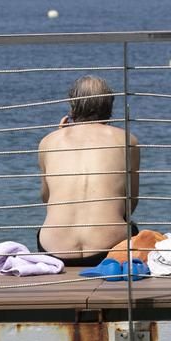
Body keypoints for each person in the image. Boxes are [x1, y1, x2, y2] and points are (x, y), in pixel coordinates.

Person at [36, 75, 140, 265]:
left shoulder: (49, 142)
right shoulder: (127, 140)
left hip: (53, 250)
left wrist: (60, 135)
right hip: (109, 250)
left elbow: (46, 198)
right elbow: (130, 203)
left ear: (72, 106)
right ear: (109, 106)